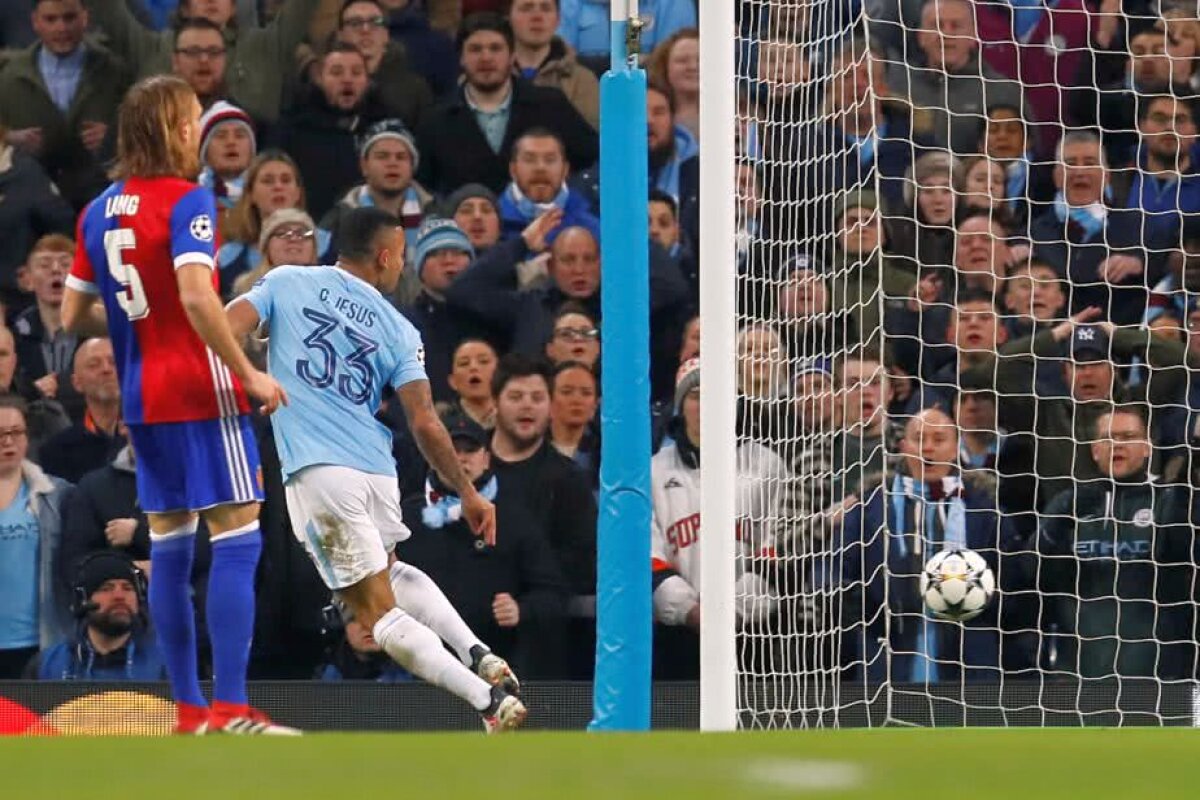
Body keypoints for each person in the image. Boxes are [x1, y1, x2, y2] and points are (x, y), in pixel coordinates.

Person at [226, 206, 526, 733]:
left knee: (374, 612)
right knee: (392, 571)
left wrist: (251, 376)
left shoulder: (287, 280)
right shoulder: (400, 326)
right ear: (385, 255)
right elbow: (427, 422)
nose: (400, 267)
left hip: (321, 471)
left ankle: (487, 701)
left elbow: (227, 325)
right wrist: (468, 494)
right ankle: (475, 649)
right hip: (377, 468)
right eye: (402, 258)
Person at [61, 75, 292, 735]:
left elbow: (73, 313)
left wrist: (140, 327)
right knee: (237, 535)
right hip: (200, 388)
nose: (199, 131)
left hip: (142, 397)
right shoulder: (190, 200)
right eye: (192, 120)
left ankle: (190, 706)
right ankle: (232, 705)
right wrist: (248, 371)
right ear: (171, 128)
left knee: (168, 542)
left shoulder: (99, 208)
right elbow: (196, 296)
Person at [1033, 407, 1196, 679]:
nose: (1117, 445)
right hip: (1076, 675)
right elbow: (1029, 578)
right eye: (1108, 438)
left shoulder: (1170, 503)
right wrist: (1054, 527)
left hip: (1159, 678)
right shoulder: (1068, 503)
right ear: (1095, 450)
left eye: (1127, 436)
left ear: (1146, 447)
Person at [415, 12, 598, 196]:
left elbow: (593, 159)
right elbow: (422, 187)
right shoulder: (435, 120)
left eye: (495, 48)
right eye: (475, 49)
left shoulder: (551, 105)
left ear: (512, 56)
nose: (486, 57)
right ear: (461, 58)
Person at [0, 0, 130, 211]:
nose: (61, 28)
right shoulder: (8, 77)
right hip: (31, 201)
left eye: (69, 18)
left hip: (99, 199)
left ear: (84, 18)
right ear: (35, 22)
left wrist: (114, 137)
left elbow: (138, 131)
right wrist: (10, 138)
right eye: (51, 19)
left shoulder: (115, 71)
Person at [0, 394, 72, 679]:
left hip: (39, 643)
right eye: (0, 434)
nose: (8, 442)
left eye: (16, 432)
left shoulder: (58, 495)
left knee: (34, 724)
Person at [27, 551, 166, 681]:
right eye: (106, 588)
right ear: (83, 601)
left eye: (128, 588)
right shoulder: (47, 665)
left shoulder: (167, 664)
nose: (119, 596)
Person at [38, 337, 125, 484]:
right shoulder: (58, 450)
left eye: (114, 363)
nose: (106, 369)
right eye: (93, 365)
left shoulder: (147, 435)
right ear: (76, 383)